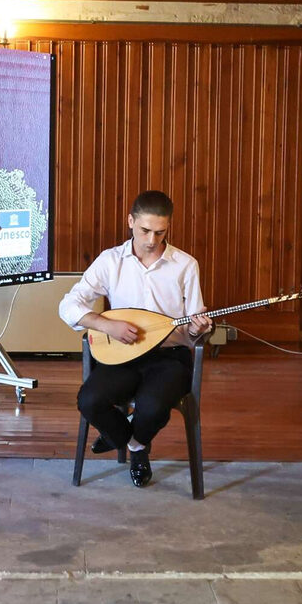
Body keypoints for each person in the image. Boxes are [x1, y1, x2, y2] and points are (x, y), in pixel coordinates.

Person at [58, 190, 213, 487]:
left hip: (169, 357)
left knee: (153, 407)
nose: (152, 240)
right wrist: (106, 325)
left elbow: (194, 328)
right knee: (89, 400)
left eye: (160, 232)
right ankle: (135, 443)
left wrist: (197, 328)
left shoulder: (185, 265)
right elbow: (68, 305)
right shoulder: (110, 261)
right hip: (121, 352)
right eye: (144, 230)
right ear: (130, 221)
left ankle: (132, 443)